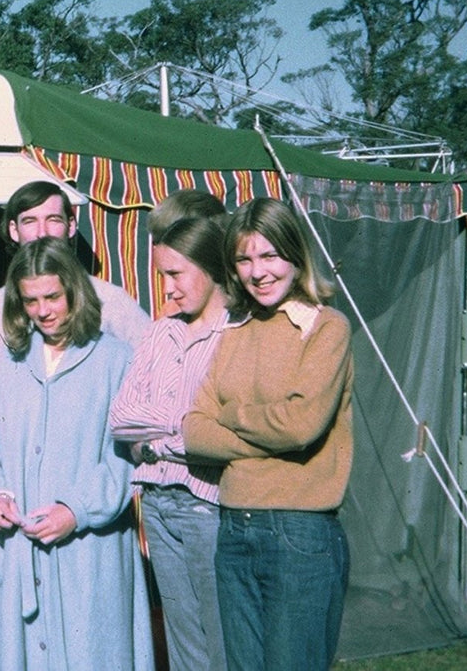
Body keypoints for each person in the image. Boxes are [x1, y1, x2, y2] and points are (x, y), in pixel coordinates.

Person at [0, 238, 153, 671]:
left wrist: (77, 510)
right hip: (18, 554)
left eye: (52, 297)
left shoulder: (115, 360)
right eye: (30, 300)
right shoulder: (2, 366)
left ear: (74, 291)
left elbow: (127, 457)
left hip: (90, 550)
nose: (43, 311)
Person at [182, 198, 355, 671]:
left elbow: (301, 425)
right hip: (234, 527)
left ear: (296, 256)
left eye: (269, 255)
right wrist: (263, 432)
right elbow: (194, 430)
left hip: (300, 531)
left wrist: (232, 414)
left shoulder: (325, 328)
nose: (258, 271)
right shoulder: (233, 331)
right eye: (244, 259)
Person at [108, 216, 235, 671]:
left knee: (221, 636)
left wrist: (156, 440)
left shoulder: (234, 334)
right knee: (182, 638)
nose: (168, 288)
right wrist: (182, 427)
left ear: (210, 266)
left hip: (208, 505)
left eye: (176, 274)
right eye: (163, 276)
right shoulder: (160, 331)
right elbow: (122, 417)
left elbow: (221, 430)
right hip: (158, 504)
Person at [0, 180, 150, 357]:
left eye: (53, 220)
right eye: (30, 221)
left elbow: (154, 362)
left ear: (71, 226)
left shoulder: (109, 300)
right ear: (14, 230)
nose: (42, 232)